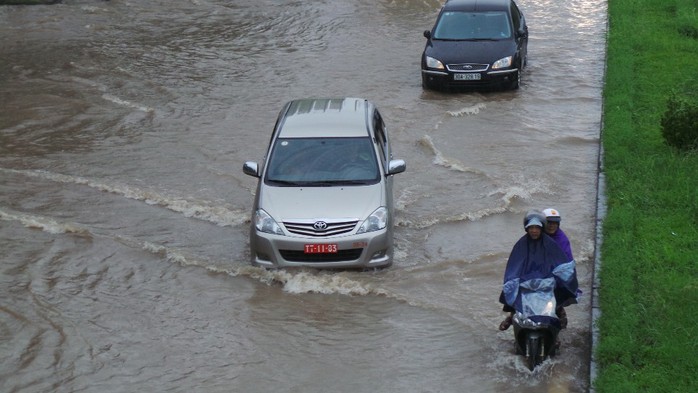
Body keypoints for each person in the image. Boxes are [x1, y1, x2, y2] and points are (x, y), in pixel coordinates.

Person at [498, 210, 579, 331]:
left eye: (537, 228)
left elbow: (563, 261)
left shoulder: (556, 242)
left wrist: (565, 275)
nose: (534, 231)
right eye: (531, 228)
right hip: (527, 277)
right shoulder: (521, 244)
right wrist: (512, 280)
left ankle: (556, 326)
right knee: (514, 291)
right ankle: (512, 316)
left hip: (548, 277)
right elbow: (515, 265)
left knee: (558, 294)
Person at [542, 208, 574, 328]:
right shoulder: (535, 234)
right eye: (549, 223)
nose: (552, 226)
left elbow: (567, 259)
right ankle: (510, 316)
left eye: (555, 223)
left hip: (555, 274)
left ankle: (558, 323)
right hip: (537, 272)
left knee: (556, 298)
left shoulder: (561, 239)